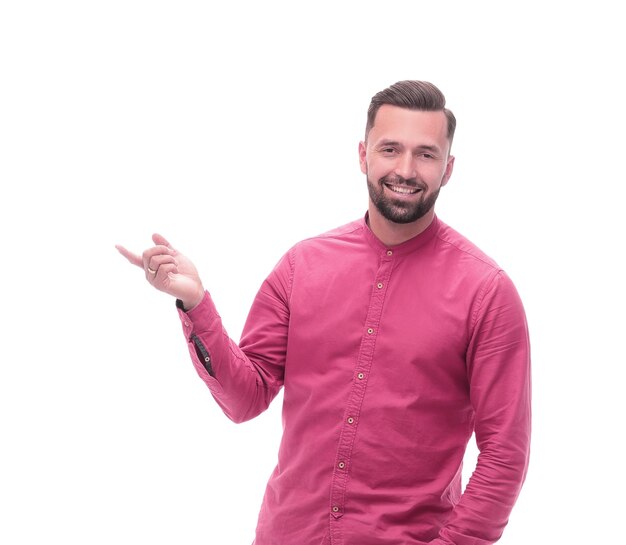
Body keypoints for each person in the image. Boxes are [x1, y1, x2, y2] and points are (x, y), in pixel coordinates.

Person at [117, 80, 531, 545]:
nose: (406, 169)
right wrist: (195, 302)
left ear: (448, 168)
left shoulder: (487, 292)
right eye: (390, 149)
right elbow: (245, 397)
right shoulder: (302, 266)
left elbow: (504, 455)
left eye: (426, 154)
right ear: (363, 155)